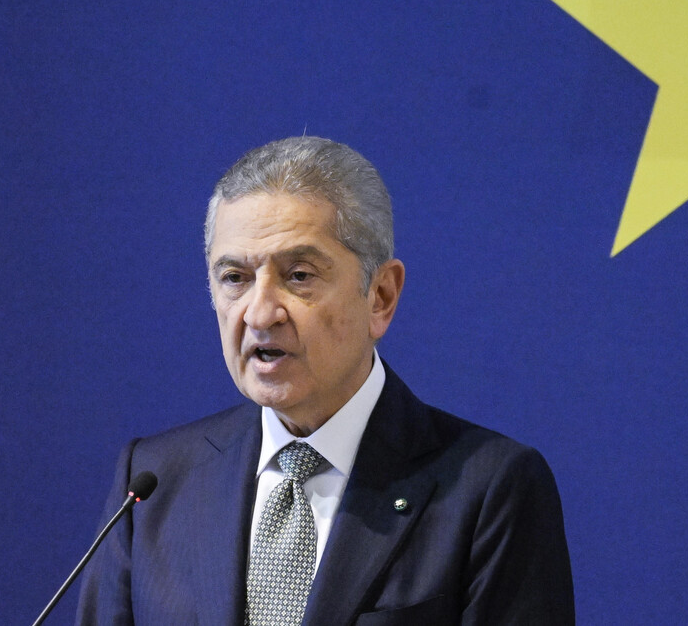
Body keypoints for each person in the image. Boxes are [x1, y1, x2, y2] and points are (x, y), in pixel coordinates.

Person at [76, 136, 574, 625]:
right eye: (234, 278)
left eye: (299, 275)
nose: (260, 314)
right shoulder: (153, 482)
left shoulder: (489, 489)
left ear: (380, 296)